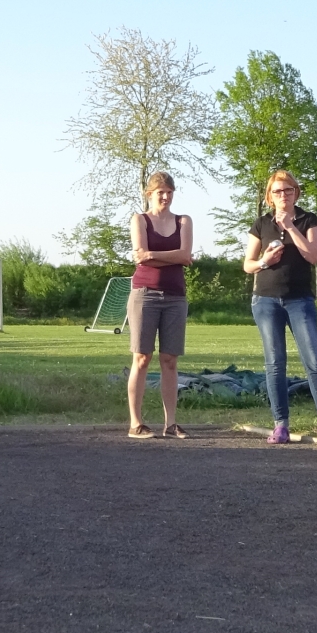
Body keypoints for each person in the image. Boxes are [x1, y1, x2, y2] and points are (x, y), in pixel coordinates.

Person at [243, 170, 317, 444]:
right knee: (275, 363)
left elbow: (313, 256)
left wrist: (291, 227)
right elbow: (248, 264)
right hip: (266, 300)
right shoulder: (261, 224)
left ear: (296, 193)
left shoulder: (308, 220)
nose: (283, 195)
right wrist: (265, 261)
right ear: (270, 197)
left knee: (314, 361)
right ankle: (280, 425)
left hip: (299, 300)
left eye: (288, 190)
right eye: (278, 191)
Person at [126, 172, 194, 438]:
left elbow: (184, 255)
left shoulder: (183, 221)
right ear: (149, 194)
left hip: (176, 296)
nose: (165, 197)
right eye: (160, 192)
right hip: (145, 295)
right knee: (142, 358)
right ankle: (136, 423)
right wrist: (173, 257)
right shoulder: (139, 220)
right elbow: (140, 259)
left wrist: (151, 254)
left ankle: (171, 424)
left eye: (169, 192)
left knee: (170, 360)